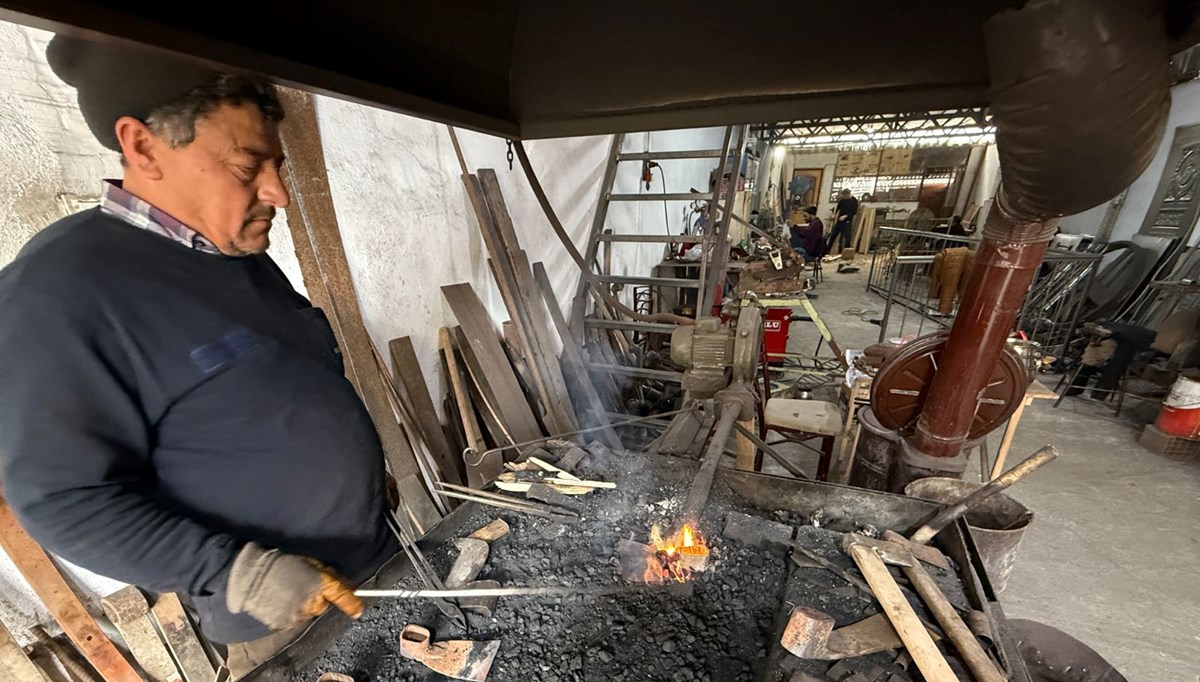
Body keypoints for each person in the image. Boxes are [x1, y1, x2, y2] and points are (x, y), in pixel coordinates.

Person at [0, 36, 396, 676]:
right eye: (247, 167)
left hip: (375, 556)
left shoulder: (233, 256)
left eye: (277, 166)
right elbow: (64, 499)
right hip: (280, 615)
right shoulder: (57, 294)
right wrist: (235, 573)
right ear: (142, 146)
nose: (278, 194)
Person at [827, 188, 859, 253]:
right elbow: (838, 208)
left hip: (847, 221)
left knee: (847, 237)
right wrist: (834, 215)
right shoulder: (842, 200)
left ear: (848, 194)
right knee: (833, 235)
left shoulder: (854, 201)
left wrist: (846, 216)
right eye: (843, 196)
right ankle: (827, 251)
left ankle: (846, 253)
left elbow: (854, 212)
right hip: (839, 221)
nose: (844, 197)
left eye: (844, 196)